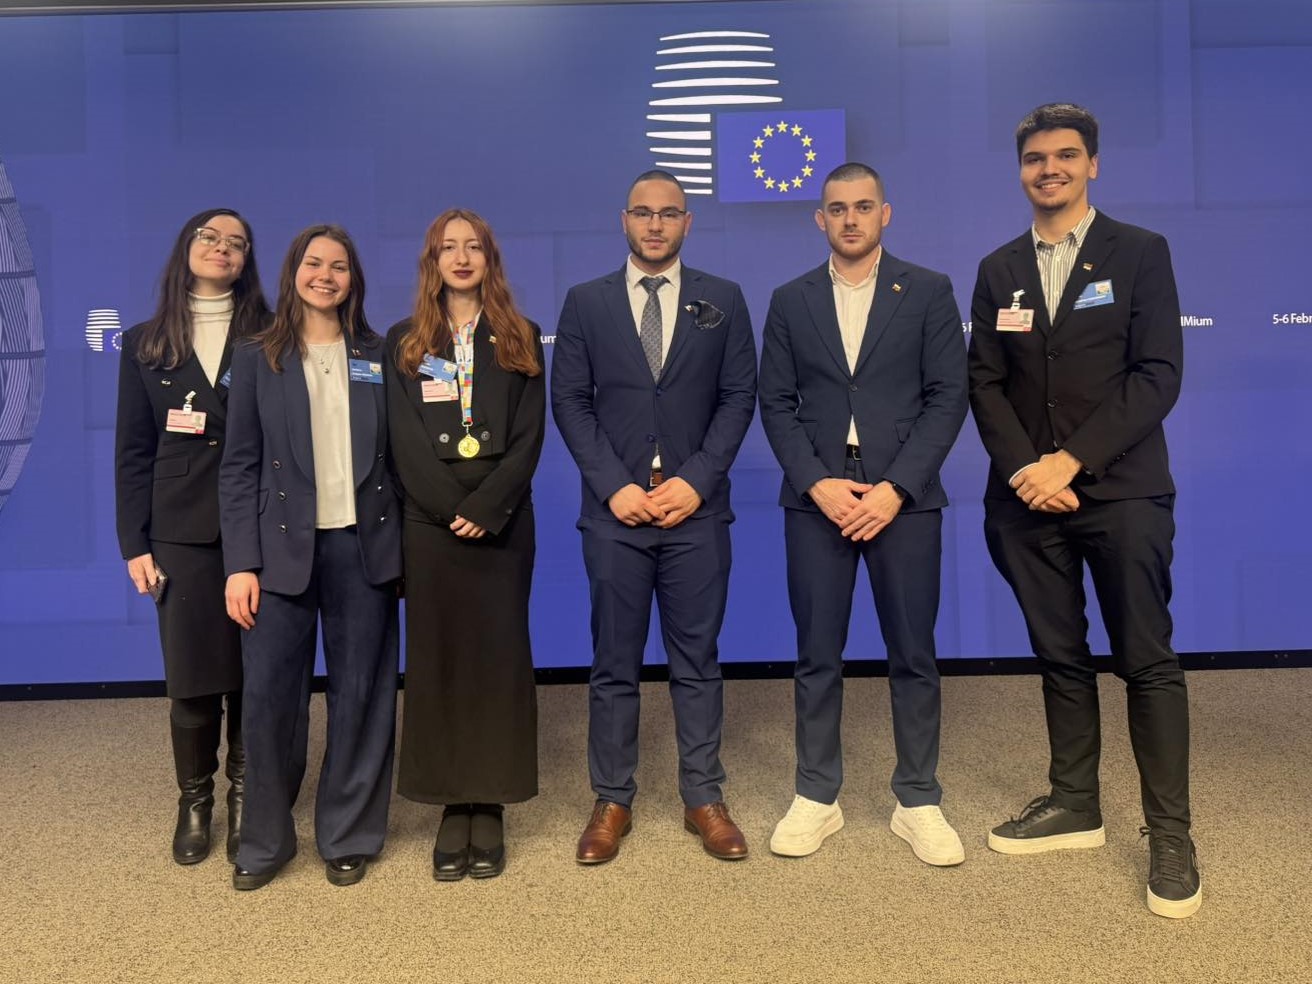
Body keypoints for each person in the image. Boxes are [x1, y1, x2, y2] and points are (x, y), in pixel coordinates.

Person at [968, 103, 1199, 918]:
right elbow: (984, 380)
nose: (1050, 169)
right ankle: (1075, 802)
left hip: (1123, 493)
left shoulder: (1140, 252)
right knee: (1059, 656)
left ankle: (1170, 834)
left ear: (1092, 164)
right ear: (1021, 170)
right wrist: (1027, 471)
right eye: (1036, 158)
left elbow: (1158, 373)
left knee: (1146, 661)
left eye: (1066, 155)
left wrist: (1071, 460)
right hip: (1026, 502)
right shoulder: (999, 267)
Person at [757, 163, 969, 865]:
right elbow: (775, 403)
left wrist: (896, 487)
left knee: (913, 653)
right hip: (817, 499)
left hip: (903, 501)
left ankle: (919, 799)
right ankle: (817, 795)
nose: (850, 218)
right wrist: (816, 482)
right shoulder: (790, 299)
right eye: (837, 208)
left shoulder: (928, 290)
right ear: (819, 218)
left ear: (885, 214)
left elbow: (948, 397)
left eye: (863, 206)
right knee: (816, 655)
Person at [552, 170, 758, 864]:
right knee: (614, 664)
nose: (655, 225)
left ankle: (704, 796)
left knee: (697, 662)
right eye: (643, 213)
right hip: (616, 516)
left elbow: (738, 398)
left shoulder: (723, 299)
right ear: (624, 220)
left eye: (669, 214)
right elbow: (570, 401)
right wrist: (614, 486)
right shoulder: (585, 302)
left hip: (696, 514)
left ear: (687, 223)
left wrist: (697, 482)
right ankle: (612, 798)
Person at [219, 224, 401, 890]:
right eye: (314, 263)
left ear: (354, 279)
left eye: (339, 266)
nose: (326, 275)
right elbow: (238, 467)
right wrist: (239, 563)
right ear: (293, 271)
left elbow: (403, 455)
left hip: (364, 547)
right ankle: (265, 840)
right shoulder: (256, 355)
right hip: (277, 554)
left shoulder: (379, 354)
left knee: (362, 694)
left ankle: (348, 833)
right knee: (269, 700)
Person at [384, 209, 545, 881]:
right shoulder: (405, 341)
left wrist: (485, 507)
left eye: (472, 246)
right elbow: (401, 439)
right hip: (430, 524)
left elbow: (531, 436)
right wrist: (451, 508)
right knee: (440, 660)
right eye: (448, 247)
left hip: (501, 518)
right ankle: (453, 802)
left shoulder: (521, 335)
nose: (460, 257)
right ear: (432, 260)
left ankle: (492, 799)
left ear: (489, 259)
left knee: (498, 659)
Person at [115, 208, 270, 866]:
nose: (222, 249)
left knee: (253, 674)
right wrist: (135, 543)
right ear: (187, 246)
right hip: (179, 529)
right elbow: (132, 452)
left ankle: (246, 796)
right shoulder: (144, 343)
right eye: (211, 237)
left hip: (260, 523)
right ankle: (195, 799)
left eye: (237, 243)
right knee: (193, 675)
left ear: (247, 260)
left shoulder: (270, 334)